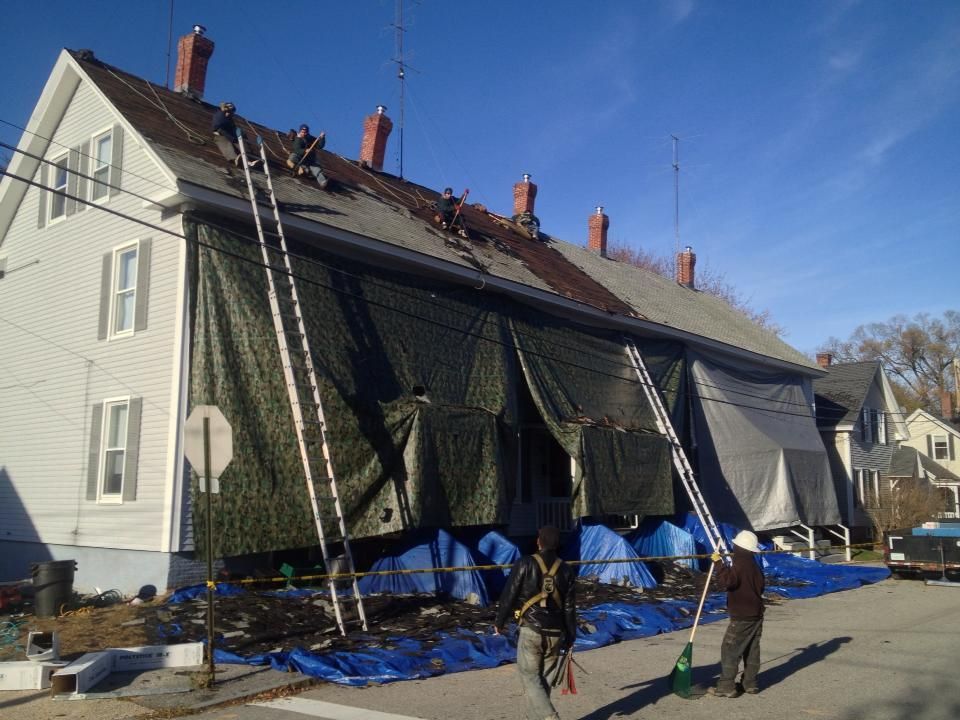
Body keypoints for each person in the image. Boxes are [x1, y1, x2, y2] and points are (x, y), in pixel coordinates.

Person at [494, 526, 577, 720]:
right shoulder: (566, 570)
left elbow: (509, 594)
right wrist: (571, 635)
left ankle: (550, 717)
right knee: (543, 682)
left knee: (530, 677)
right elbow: (570, 607)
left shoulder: (524, 563)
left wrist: (500, 621)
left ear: (538, 541)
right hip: (556, 633)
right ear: (557, 544)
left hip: (531, 630)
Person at [710, 529, 765, 697]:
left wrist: (718, 564)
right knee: (751, 649)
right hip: (757, 614)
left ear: (740, 548)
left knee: (730, 649)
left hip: (742, 615)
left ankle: (726, 686)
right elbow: (759, 586)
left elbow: (727, 582)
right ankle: (750, 683)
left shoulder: (740, 564)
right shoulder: (754, 566)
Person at [211, 102, 261, 170]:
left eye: (231, 112)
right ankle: (235, 159)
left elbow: (233, 128)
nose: (229, 114)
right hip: (221, 135)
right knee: (225, 142)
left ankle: (248, 160)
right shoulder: (219, 115)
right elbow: (219, 127)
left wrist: (240, 135)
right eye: (228, 111)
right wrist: (232, 138)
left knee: (240, 142)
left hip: (230, 135)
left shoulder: (229, 119)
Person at [287, 124, 329, 189]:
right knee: (292, 158)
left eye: (305, 132)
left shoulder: (310, 138)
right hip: (300, 157)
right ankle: (298, 168)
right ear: (300, 131)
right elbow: (297, 149)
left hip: (310, 159)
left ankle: (322, 182)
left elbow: (319, 146)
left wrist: (322, 138)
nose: (304, 133)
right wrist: (305, 151)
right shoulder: (297, 139)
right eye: (303, 132)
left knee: (317, 169)